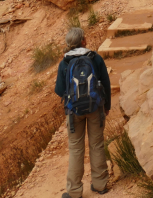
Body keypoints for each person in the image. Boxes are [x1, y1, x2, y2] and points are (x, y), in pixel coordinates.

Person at [55, 27, 111, 197]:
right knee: (96, 144)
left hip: (74, 112)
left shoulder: (64, 63)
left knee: (76, 149)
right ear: (83, 41)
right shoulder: (95, 58)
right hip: (96, 108)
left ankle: (74, 191)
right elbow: (106, 84)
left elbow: (60, 90)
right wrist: (106, 106)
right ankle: (100, 185)